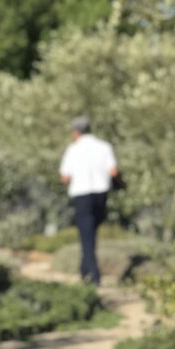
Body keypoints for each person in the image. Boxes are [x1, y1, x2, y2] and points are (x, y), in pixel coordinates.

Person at [59, 117, 118, 286]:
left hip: (82, 195)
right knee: (91, 233)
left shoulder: (73, 150)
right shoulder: (104, 147)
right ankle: (84, 268)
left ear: (76, 133)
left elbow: (65, 177)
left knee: (86, 235)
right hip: (101, 195)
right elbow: (113, 171)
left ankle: (94, 275)